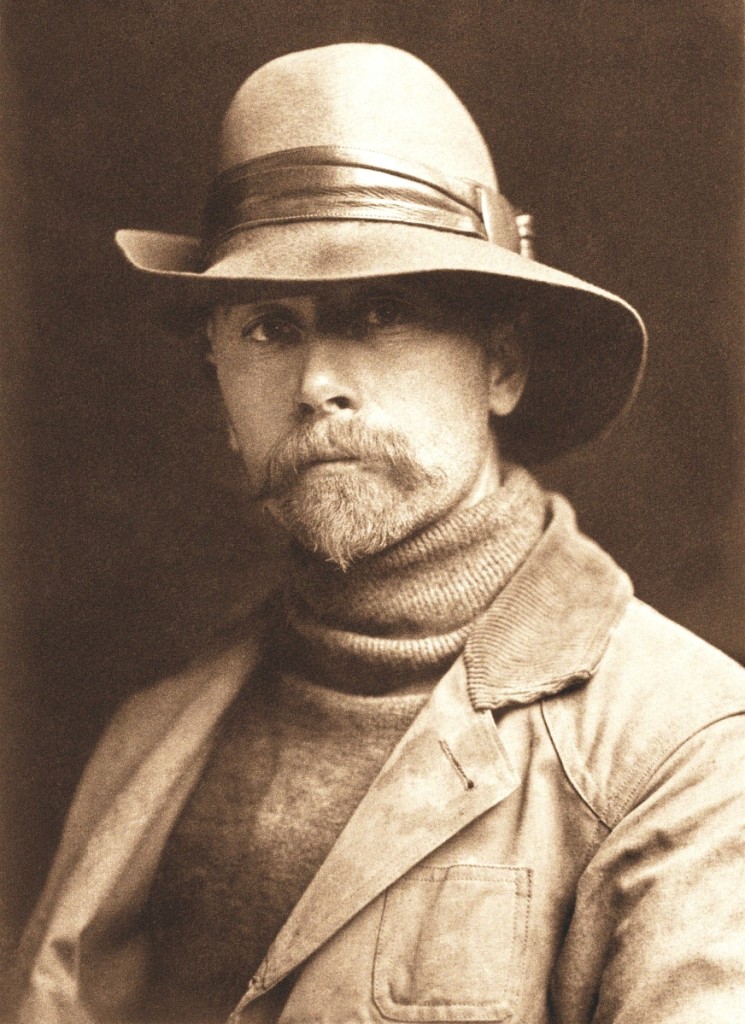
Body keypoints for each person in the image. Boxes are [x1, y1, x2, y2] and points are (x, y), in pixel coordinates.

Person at [15, 42, 745, 1024]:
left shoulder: (684, 746)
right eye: (270, 327)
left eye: (380, 312)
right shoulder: (150, 732)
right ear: (220, 385)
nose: (317, 382)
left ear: (502, 364)